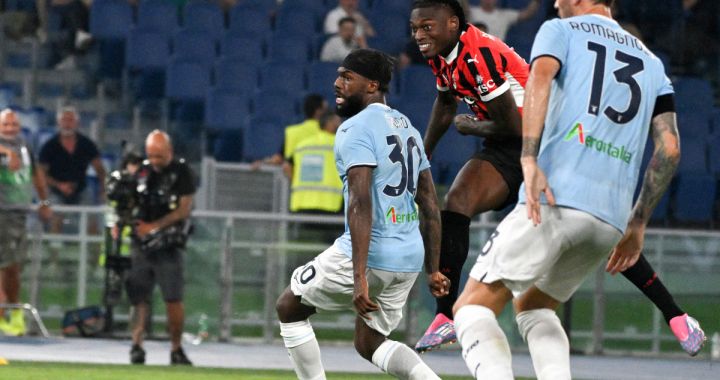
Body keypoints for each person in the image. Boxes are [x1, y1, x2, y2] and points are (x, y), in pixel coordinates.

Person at [409, 0, 705, 356]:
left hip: (533, 141)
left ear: (454, 24)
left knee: (493, 299)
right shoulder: (443, 56)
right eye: (416, 29)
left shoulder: (488, 52)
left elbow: (516, 124)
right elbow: (445, 103)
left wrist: (471, 126)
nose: (420, 35)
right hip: (510, 145)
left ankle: (673, 312)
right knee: (458, 202)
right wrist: (425, 152)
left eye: (428, 27)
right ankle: (444, 318)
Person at [275, 49, 450, 380]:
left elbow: (360, 202)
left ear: (372, 85)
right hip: (408, 258)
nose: (336, 84)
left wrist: (359, 277)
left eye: (346, 77)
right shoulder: (407, 127)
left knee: (289, 306)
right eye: (339, 76)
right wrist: (433, 269)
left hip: (374, 255)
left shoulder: (355, 129)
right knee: (369, 342)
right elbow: (429, 201)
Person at [125, 130, 195, 366]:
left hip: (168, 244)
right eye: (151, 156)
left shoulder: (181, 171)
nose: (154, 161)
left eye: (159, 156)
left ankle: (176, 348)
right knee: (138, 297)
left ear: (170, 152)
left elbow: (184, 209)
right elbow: (130, 202)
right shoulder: (141, 172)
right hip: (141, 245)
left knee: (173, 298)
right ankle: (136, 345)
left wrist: (153, 227)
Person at [0, 109, 53, 336]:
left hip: (20, 213)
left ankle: (15, 313)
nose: (10, 128)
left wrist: (44, 200)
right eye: (5, 125)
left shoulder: (25, 145)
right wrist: (4, 152)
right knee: (3, 264)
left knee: (14, 267)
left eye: (14, 124)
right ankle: (4, 313)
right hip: (1, 212)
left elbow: (36, 173)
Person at [39, 106, 106, 207]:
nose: (67, 124)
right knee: (55, 216)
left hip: (81, 189)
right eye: (64, 120)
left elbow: (100, 170)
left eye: (70, 120)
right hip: (55, 190)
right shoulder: (49, 146)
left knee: (92, 218)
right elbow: (41, 173)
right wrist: (59, 185)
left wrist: (103, 190)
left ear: (77, 123)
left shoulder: (87, 144)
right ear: (59, 123)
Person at [288, 111, 343, 214]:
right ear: (330, 123)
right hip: (330, 204)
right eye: (338, 121)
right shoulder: (340, 144)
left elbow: (286, 166)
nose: (340, 125)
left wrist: (295, 182)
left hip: (301, 204)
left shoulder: (302, 145)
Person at [468, 0, 541, 40]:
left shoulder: (505, 16)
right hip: (474, 52)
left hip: (496, 54)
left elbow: (527, 14)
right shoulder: (470, 12)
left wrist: (536, 1)